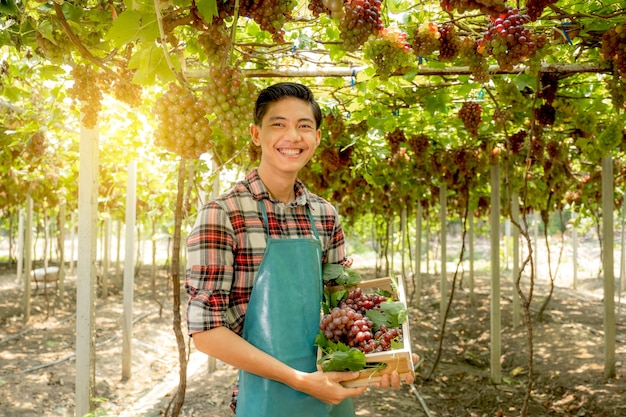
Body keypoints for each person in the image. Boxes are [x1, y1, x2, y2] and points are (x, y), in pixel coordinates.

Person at [185, 82, 414, 417]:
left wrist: (390, 355)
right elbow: (206, 332)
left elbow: (344, 306)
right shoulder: (223, 215)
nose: (292, 136)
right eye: (279, 124)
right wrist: (299, 380)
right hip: (267, 395)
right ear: (255, 133)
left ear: (317, 138)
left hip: (330, 391)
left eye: (304, 126)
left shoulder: (324, 215)